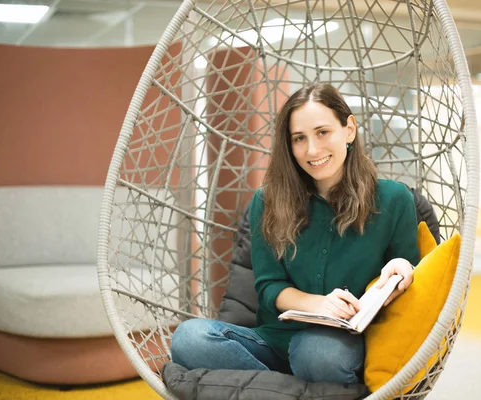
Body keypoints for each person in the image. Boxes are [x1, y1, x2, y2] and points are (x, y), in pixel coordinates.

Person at [171, 83, 420, 385]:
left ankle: (269, 389)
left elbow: (405, 282)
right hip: (270, 344)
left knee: (316, 353)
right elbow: (269, 287)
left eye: (322, 132)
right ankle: (289, 390)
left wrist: (403, 270)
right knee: (188, 338)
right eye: (299, 139)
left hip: (336, 346)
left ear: (349, 130)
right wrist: (318, 304)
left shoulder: (395, 199)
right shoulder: (268, 201)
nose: (312, 150)